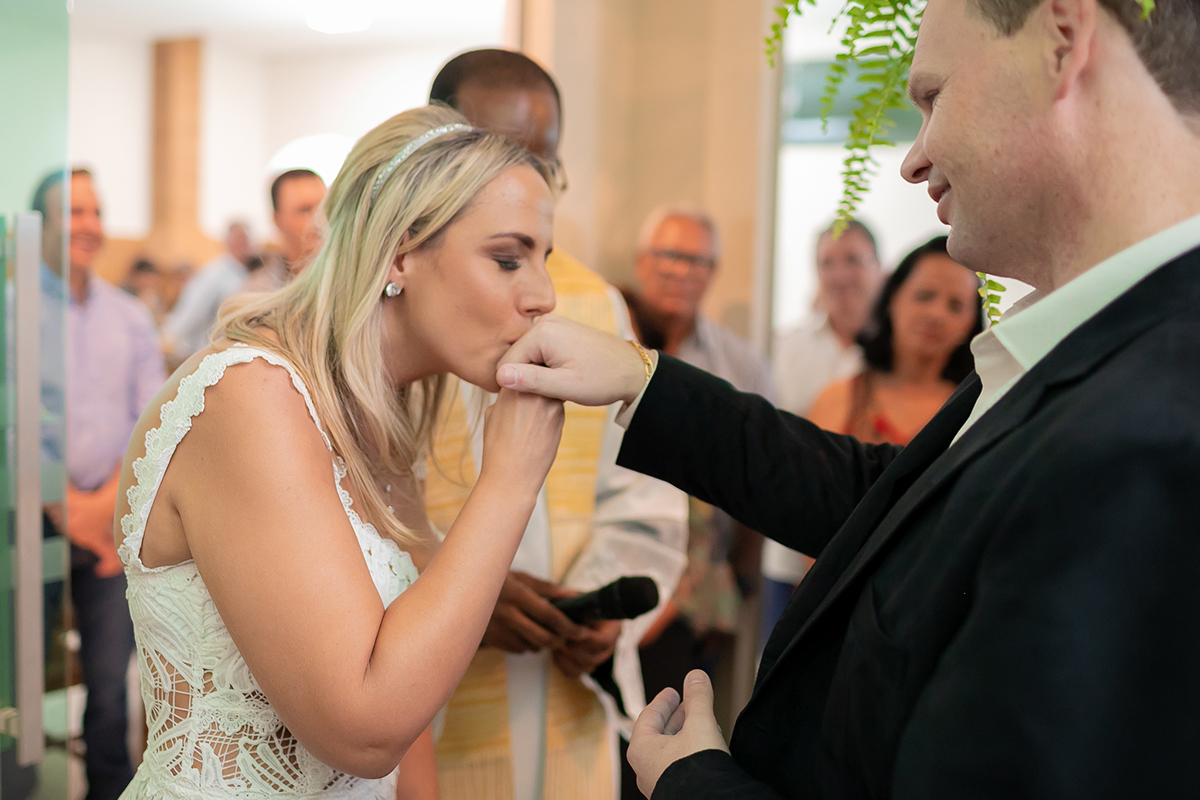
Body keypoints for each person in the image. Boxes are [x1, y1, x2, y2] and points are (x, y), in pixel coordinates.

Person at [495, 0, 1200, 792]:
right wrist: (642, 378)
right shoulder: (1098, 352)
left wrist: (695, 783)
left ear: (1063, 42)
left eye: (932, 97)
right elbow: (894, 504)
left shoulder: (1150, 438)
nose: (912, 158)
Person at [113, 105, 569, 799]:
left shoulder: (374, 416)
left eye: (543, 259)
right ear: (399, 253)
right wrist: (509, 482)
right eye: (507, 258)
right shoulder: (251, 399)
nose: (543, 295)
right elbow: (363, 728)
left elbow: (407, 698)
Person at [418, 50, 689, 800]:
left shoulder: (594, 304)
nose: (527, 185)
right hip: (429, 713)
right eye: (498, 155)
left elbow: (642, 498)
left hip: (566, 700)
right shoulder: (395, 299)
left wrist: (601, 611)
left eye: (545, 162)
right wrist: (465, 595)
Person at [33, 168, 166, 800]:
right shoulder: (13, 313)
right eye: (73, 211)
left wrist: (105, 506)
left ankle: (110, 789)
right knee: (21, 673)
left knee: (109, 678)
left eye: (95, 210)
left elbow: (151, 419)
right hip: (33, 518)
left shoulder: (131, 317)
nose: (89, 224)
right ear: (42, 226)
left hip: (116, 514)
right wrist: (67, 509)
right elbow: (16, 424)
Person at [624, 206, 774, 738]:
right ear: (643, 262)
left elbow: (764, 474)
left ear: (713, 271)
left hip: (698, 592)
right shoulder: (614, 343)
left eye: (696, 260)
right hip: (617, 568)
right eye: (669, 255)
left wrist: (739, 579)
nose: (681, 270)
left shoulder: (741, 364)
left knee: (674, 733)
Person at [760, 219, 882, 645]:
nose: (840, 274)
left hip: (876, 548)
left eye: (852, 259)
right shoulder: (785, 348)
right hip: (791, 552)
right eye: (827, 263)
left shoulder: (901, 351)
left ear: (879, 269)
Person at [807, 235, 981, 444]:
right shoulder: (838, 399)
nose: (937, 314)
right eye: (924, 296)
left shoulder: (978, 411)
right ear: (893, 298)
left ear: (971, 323)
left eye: (956, 305)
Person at [161, 222, 255, 368]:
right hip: (206, 355)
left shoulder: (245, 274)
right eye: (239, 239)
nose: (245, 245)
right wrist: (170, 338)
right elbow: (192, 312)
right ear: (228, 242)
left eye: (247, 239)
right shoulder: (214, 275)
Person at [270, 168, 326, 277]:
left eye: (324, 207)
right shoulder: (261, 290)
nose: (320, 219)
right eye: (305, 210)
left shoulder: (353, 281)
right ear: (278, 221)